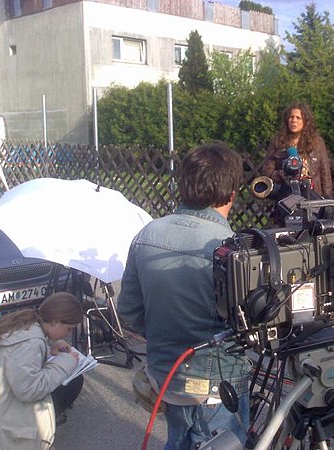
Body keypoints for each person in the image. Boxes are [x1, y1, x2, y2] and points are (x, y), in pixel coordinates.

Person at [117, 142, 251, 450]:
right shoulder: (231, 247)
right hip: (218, 384)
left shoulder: (147, 233)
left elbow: (130, 313)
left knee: (179, 440)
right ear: (232, 193)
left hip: (166, 377)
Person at [0, 292, 84, 450]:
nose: (68, 334)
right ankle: (44, 426)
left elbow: (17, 360)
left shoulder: (27, 322)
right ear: (55, 321)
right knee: (73, 382)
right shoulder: (31, 342)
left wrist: (48, 350)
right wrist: (65, 362)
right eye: (68, 329)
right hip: (0, 413)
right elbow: (29, 390)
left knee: (71, 380)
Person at [263, 101, 334, 199]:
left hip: (312, 195)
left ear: (305, 121)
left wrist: (327, 199)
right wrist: (282, 175)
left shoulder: (317, 142)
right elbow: (267, 171)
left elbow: (325, 173)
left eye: (298, 118)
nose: (294, 120)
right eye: (291, 117)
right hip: (286, 195)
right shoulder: (277, 141)